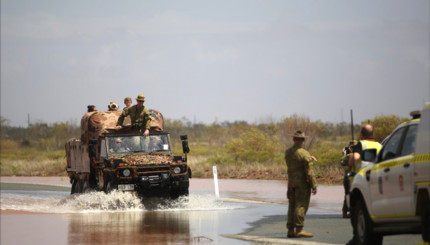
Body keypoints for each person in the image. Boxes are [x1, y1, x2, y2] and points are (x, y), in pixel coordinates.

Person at [285, 130, 318, 238]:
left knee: (292, 205)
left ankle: (290, 229)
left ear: (294, 139)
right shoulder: (304, 153)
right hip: (302, 184)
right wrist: (314, 184)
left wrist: (309, 157)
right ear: (303, 140)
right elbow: (309, 171)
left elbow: (295, 161)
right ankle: (299, 229)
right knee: (301, 205)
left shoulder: (288, 152)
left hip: (291, 183)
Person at [340, 140, 357, 218]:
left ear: (350, 148)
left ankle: (345, 212)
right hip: (358, 177)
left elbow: (342, 162)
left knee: (347, 194)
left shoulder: (349, 156)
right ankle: (353, 212)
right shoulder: (360, 155)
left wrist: (343, 154)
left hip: (349, 177)